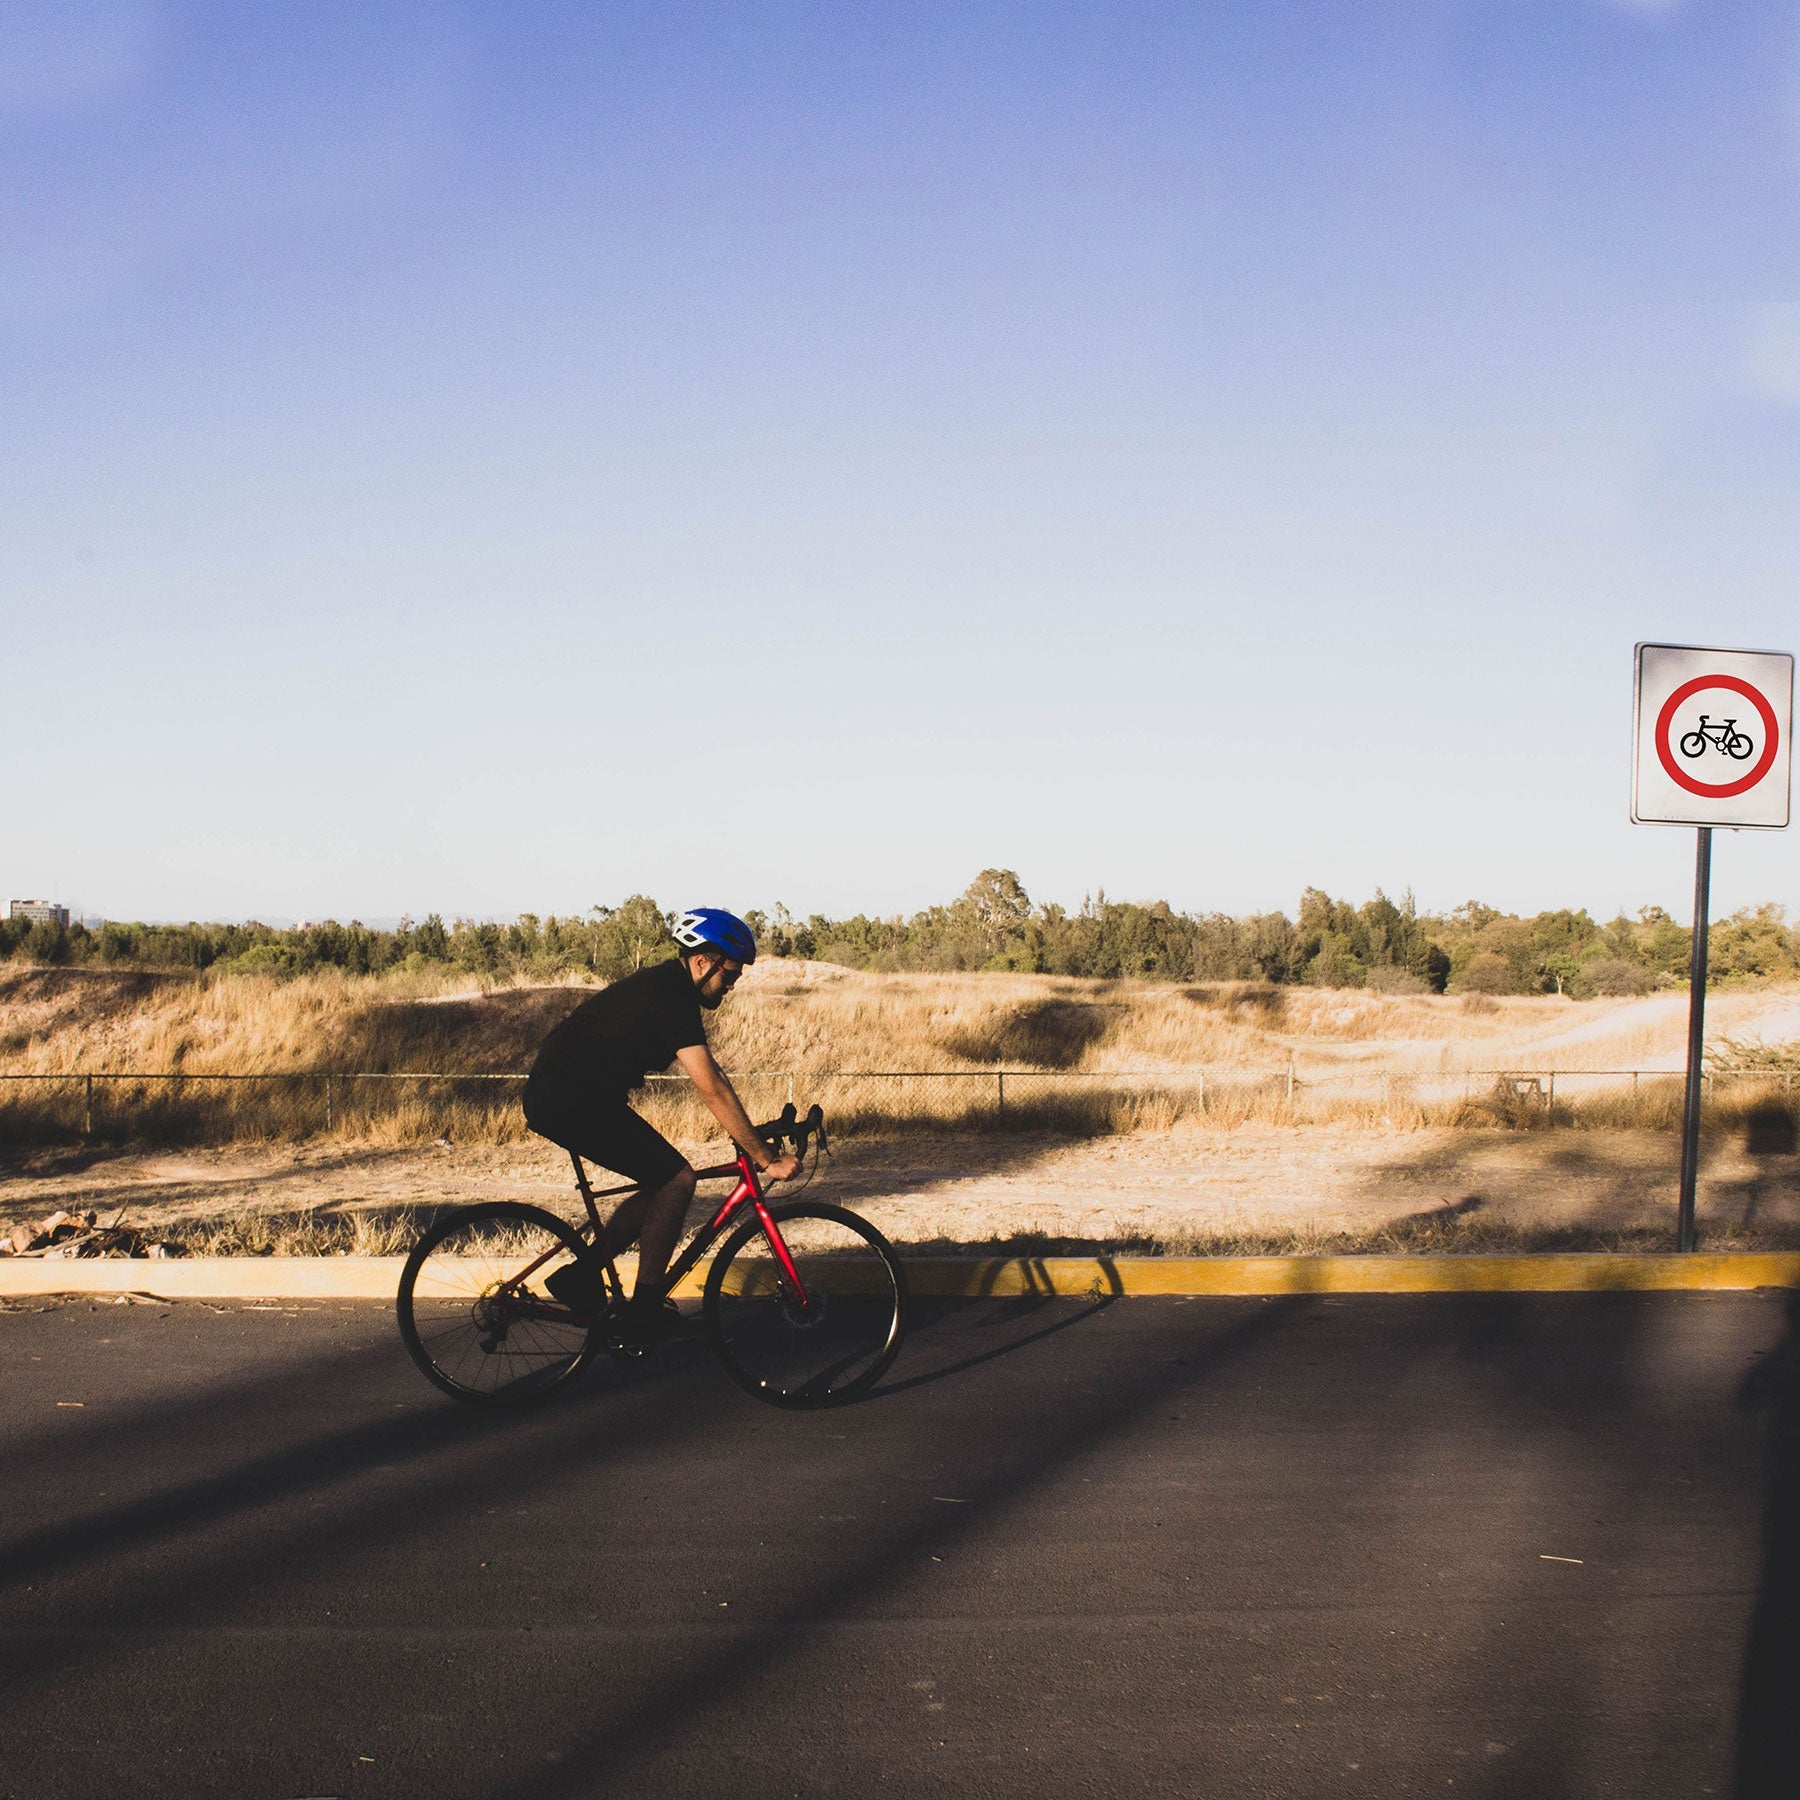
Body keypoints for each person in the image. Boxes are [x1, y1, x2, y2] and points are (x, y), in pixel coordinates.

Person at [522, 907, 800, 1342]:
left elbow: (717, 1077)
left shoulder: (671, 990)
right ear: (702, 961)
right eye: (729, 975)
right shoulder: (670, 994)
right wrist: (763, 1157)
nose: (730, 986)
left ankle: (582, 1276)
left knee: (659, 1182)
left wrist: (752, 1131)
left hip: (575, 1095)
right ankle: (645, 1308)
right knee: (678, 1180)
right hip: (568, 1098)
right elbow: (710, 1088)